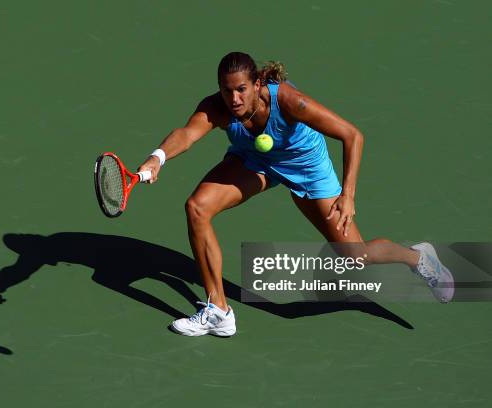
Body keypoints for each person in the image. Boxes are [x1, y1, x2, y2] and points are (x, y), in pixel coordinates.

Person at [137, 51, 454, 337]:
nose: (233, 98)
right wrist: (158, 157)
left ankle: (417, 257)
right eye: (226, 90)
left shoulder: (290, 101)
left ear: (258, 83)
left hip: (306, 169)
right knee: (197, 207)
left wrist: (348, 195)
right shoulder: (217, 108)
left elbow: (352, 135)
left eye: (241, 89)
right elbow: (187, 133)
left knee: (355, 256)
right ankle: (219, 310)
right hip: (255, 162)